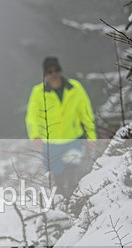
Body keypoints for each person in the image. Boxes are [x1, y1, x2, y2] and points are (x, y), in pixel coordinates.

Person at [26, 57, 96, 195]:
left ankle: (73, 205)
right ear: (45, 74)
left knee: (73, 175)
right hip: (50, 144)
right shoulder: (38, 92)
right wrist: (35, 136)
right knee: (57, 179)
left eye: (56, 70)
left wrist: (91, 137)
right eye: (50, 71)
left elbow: (86, 113)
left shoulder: (75, 88)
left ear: (60, 71)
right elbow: (32, 117)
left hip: (74, 140)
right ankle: (59, 207)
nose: (53, 74)